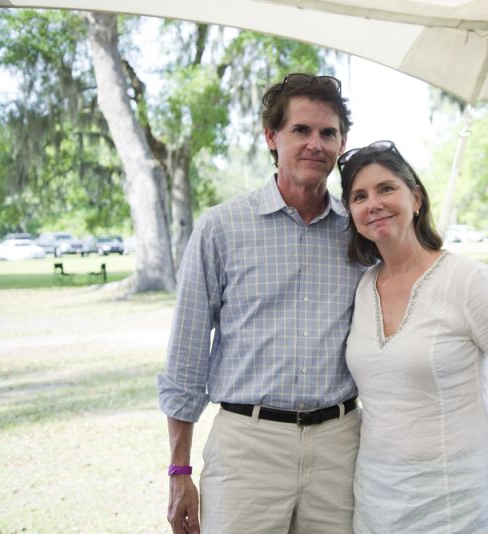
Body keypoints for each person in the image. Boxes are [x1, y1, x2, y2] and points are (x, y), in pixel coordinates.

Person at [157, 73, 365, 534]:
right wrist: (179, 472)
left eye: (328, 133)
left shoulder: (360, 232)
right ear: (272, 137)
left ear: (342, 142)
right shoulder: (221, 228)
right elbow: (186, 359)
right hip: (248, 445)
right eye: (301, 130)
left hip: (341, 445)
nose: (315, 143)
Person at [338, 140, 488, 534]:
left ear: (416, 198)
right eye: (359, 196)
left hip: (460, 505)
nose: (373, 203)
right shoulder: (362, 287)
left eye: (386, 188)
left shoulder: (469, 281)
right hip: (377, 502)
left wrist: (484, 446)